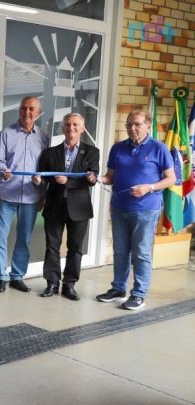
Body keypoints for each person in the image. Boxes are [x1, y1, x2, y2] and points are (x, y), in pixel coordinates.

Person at [97, 110, 175, 310]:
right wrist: (97, 178)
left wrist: (149, 187)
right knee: (120, 251)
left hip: (145, 210)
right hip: (119, 207)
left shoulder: (160, 148)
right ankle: (118, 289)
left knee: (140, 252)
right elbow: (110, 177)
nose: (132, 128)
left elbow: (171, 178)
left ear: (148, 126)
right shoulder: (117, 149)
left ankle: (139, 294)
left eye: (137, 124)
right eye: (129, 124)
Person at [32, 113, 99, 300]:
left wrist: (68, 181)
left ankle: (69, 285)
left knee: (75, 247)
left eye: (75, 124)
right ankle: (52, 283)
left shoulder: (92, 152)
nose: (71, 128)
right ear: (63, 128)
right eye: (68, 124)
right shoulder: (49, 153)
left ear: (82, 128)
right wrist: (37, 181)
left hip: (79, 207)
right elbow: (43, 179)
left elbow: (91, 179)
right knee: (52, 246)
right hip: (54, 205)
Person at [0, 96, 49, 293]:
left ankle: (17, 276)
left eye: (31, 109)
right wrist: (3, 170)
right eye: (24, 108)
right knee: (0, 238)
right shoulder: (6, 134)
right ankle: (0, 276)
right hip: (7, 195)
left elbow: (44, 168)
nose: (27, 112)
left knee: (24, 238)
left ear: (38, 111)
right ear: (19, 110)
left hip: (31, 197)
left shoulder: (43, 137)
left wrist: (42, 189)